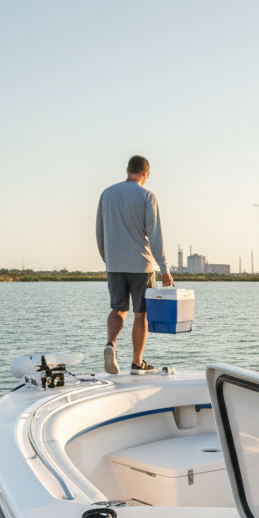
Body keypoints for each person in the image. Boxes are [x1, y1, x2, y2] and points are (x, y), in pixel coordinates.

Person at [96, 155, 174, 375]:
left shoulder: (106, 194)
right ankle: (137, 363)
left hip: (115, 264)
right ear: (145, 173)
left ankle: (110, 344)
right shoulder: (147, 196)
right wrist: (165, 269)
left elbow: (99, 232)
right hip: (141, 265)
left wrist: (108, 259)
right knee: (141, 314)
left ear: (128, 169)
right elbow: (155, 235)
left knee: (118, 309)